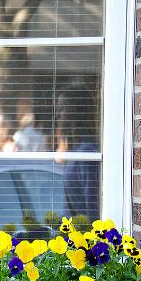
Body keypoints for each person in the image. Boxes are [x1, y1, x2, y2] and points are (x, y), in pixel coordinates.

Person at [54, 90, 100, 221]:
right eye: (59, 108)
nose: (58, 114)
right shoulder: (76, 150)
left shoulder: (86, 152)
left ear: (78, 113)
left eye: (63, 108)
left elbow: (91, 205)